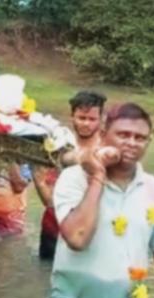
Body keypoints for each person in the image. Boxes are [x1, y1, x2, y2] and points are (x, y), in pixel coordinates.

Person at [47, 103, 154, 298]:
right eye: (123, 135)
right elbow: (77, 238)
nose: (131, 143)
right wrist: (97, 176)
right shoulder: (73, 178)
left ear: (148, 142)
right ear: (103, 135)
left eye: (140, 138)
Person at [34, 90, 106, 259]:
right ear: (72, 117)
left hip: (87, 228)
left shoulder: (106, 151)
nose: (86, 124)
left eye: (92, 119)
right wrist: (40, 183)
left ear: (101, 120)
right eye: (81, 118)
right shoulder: (58, 145)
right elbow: (49, 200)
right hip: (52, 227)